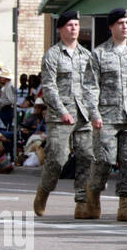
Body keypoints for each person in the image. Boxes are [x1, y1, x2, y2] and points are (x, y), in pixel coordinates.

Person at [33, 11, 96, 217]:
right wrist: (62, 111)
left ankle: (81, 201)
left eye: (77, 25)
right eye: (69, 25)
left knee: (87, 157)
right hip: (61, 117)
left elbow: (92, 86)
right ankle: (43, 191)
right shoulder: (52, 55)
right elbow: (49, 87)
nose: (74, 28)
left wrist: (95, 112)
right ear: (61, 29)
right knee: (57, 159)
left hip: (83, 115)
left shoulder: (86, 55)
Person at [88, 8, 127, 220]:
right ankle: (92, 195)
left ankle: (125, 204)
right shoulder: (99, 54)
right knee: (104, 160)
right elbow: (91, 86)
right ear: (111, 26)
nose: (125, 26)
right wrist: (94, 113)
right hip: (107, 116)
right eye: (120, 23)